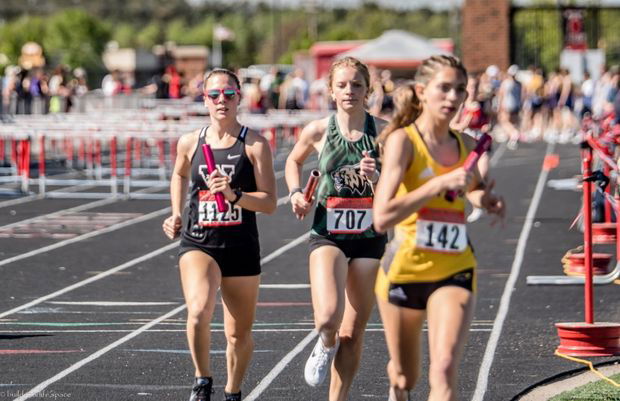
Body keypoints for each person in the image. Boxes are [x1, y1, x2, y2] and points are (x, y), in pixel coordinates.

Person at [372, 55, 505, 401]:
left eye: (459, 89)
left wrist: (485, 200)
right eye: (444, 88)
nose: (452, 97)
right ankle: (396, 385)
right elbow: (382, 216)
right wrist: (435, 185)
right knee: (405, 376)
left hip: (454, 268)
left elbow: (471, 188)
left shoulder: (467, 146)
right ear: (422, 91)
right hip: (405, 270)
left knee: (444, 370)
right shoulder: (404, 141)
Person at [162, 68, 277, 401]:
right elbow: (178, 175)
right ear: (205, 99)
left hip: (240, 246)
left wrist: (235, 196)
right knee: (198, 310)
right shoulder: (191, 141)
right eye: (214, 95)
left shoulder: (255, 145)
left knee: (238, 335)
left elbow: (270, 203)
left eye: (228, 94)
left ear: (239, 97)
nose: (221, 100)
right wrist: (176, 213)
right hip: (199, 242)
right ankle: (202, 381)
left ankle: (233, 391)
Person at [285, 56, 387, 401]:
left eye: (357, 85)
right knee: (328, 319)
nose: (349, 91)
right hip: (328, 233)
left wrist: (379, 177)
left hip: (369, 238)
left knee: (353, 332)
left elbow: (402, 184)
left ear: (368, 90)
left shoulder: (385, 131)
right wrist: (296, 192)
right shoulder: (318, 131)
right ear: (330, 90)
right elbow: (293, 161)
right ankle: (323, 342)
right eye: (342, 85)